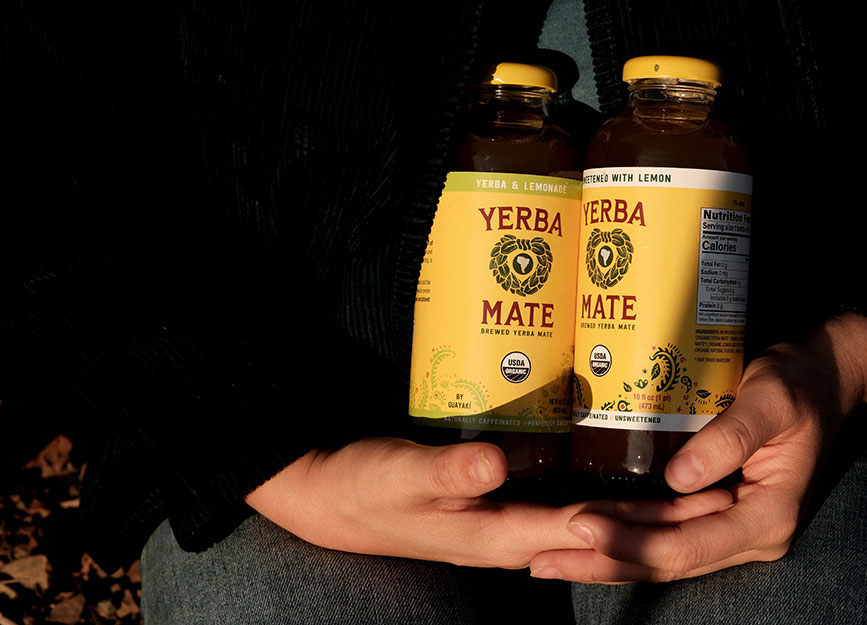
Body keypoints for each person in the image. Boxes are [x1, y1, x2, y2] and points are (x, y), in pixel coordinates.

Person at [4, 0, 865, 623]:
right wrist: (250, 444)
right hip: (289, 381)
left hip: (772, 398)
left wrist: (849, 352)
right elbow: (43, 117)